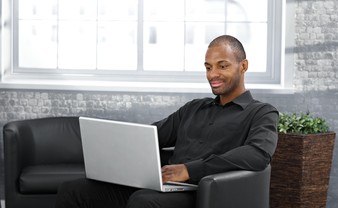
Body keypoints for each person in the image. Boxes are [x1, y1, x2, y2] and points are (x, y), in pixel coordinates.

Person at [55, 35, 278, 208]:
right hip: (167, 187)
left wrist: (190, 170)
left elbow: (258, 154)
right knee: (73, 190)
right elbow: (151, 136)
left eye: (222, 65)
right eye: (208, 67)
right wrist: (114, 149)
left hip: (203, 194)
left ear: (244, 66)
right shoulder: (194, 108)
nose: (213, 74)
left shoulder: (261, 113)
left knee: (144, 201)